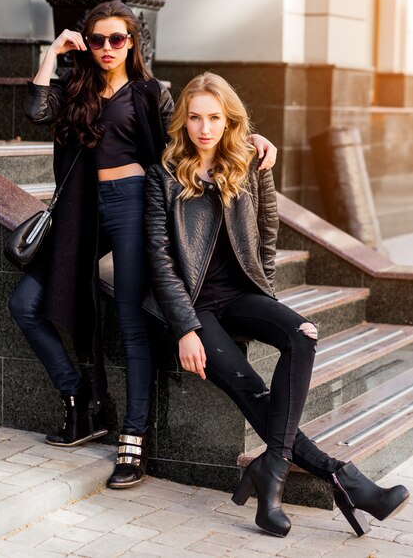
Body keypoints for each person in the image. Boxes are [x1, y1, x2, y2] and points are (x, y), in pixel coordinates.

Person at [8, 1, 277, 491]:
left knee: (131, 321)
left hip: (133, 206)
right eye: (97, 40)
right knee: (24, 302)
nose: (107, 48)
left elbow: (193, 139)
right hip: (82, 212)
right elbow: (35, 109)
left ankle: (134, 438)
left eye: (117, 39)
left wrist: (249, 138)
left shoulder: (151, 94)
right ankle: (80, 401)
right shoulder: (77, 88)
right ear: (85, 44)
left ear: (132, 42)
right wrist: (52, 54)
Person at [143, 72, 410, 537]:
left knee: (302, 333)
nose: (204, 128)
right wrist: (185, 328)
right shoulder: (162, 177)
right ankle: (346, 481)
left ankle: (275, 467)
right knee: (251, 388)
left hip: (241, 295)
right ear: (183, 121)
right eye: (195, 118)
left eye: (215, 118)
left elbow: (266, 240)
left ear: (229, 121)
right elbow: (161, 263)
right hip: (192, 308)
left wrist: (269, 305)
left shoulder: (251, 164)